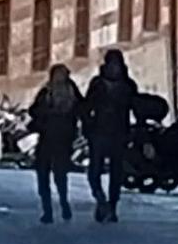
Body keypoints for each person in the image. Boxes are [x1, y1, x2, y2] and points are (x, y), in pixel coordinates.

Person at [83, 46, 138, 221]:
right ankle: (100, 199)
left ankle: (112, 205)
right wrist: (87, 126)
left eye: (117, 64)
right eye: (111, 64)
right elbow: (87, 107)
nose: (114, 68)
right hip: (98, 131)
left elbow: (136, 107)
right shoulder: (97, 84)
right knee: (94, 170)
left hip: (119, 132)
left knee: (117, 171)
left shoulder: (128, 86)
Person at [27, 64, 83, 222]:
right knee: (53, 174)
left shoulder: (53, 92)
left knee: (51, 174)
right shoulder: (58, 92)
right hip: (56, 138)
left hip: (55, 138)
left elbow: (34, 111)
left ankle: (55, 207)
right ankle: (56, 207)